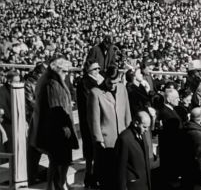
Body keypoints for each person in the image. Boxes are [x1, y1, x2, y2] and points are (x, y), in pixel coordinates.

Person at [29, 57, 79, 190]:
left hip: (57, 126)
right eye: (64, 71)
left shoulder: (53, 81)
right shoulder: (52, 83)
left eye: (68, 71)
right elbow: (54, 107)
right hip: (57, 128)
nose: (67, 73)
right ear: (57, 70)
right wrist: (64, 126)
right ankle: (55, 186)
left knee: (61, 160)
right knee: (58, 160)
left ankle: (59, 184)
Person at [88, 65, 131, 190]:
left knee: (121, 171)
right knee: (107, 173)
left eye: (116, 83)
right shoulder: (95, 93)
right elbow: (93, 119)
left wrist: (130, 130)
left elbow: (127, 111)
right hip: (106, 139)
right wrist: (98, 139)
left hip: (122, 134)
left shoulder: (122, 89)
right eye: (110, 83)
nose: (113, 86)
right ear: (105, 78)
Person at [76, 62, 103, 188]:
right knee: (91, 152)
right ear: (88, 70)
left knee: (92, 152)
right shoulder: (85, 82)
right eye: (95, 68)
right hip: (89, 120)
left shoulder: (91, 81)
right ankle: (90, 179)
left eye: (98, 68)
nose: (98, 70)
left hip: (91, 119)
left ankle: (92, 178)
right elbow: (91, 102)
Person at [115, 111, 152, 190]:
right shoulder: (124, 139)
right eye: (144, 127)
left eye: (148, 127)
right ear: (136, 123)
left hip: (144, 183)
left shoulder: (141, 134)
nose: (147, 130)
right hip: (133, 185)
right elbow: (120, 167)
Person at [157, 88, 183, 186]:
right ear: (168, 99)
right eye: (176, 98)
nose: (179, 100)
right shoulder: (166, 112)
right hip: (171, 149)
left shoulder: (170, 110)